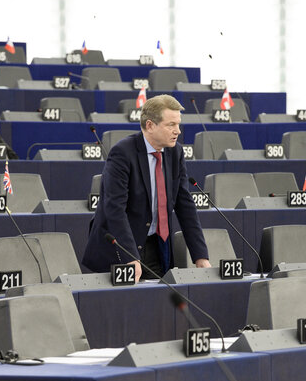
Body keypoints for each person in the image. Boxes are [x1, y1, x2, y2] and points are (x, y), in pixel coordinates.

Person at [82, 94, 210, 282]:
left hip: (156, 245)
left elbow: (184, 205)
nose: (178, 131)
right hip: (120, 246)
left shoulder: (175, 152)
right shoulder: (122, 153)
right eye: (171, 125)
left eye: (178, 124)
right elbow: (114, 208)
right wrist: (131, 257)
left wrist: (200, 256)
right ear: (150, 125)